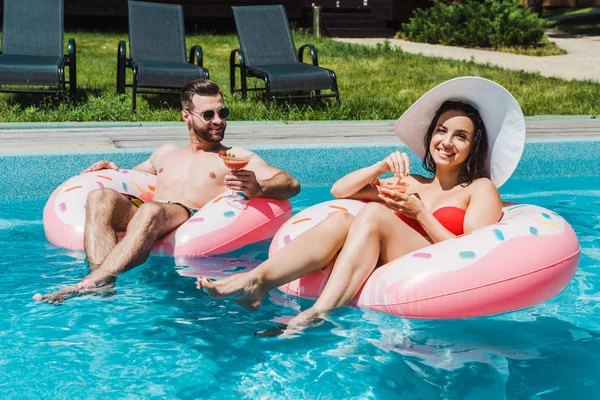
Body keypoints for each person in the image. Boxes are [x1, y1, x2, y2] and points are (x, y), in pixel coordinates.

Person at [196, 76, 526, 335]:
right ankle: (258, 281)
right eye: (442, 131)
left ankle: (314, 314)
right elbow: (341, 190)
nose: (447, 142)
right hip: (391, 256)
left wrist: (420, 214)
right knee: (342, 220)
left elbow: (477, 254)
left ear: (473, 147)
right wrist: (381, 165)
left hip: (439, 268)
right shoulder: (412, 182)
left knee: (375, 213)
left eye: (461, 136)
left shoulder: (481, 189)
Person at [35, 78, 301, 304]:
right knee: (100, 196)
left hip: (186, 215)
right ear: (186, 115)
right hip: (151, 212)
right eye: (208, 115)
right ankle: (101, 280)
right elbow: (133, 176)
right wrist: (110, 169)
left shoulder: (233, 156)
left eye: (223, 113)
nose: (218, 121)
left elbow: (290, 183)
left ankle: (93, 280)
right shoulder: (166, 153)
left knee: (152, 210)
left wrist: (260, 186)